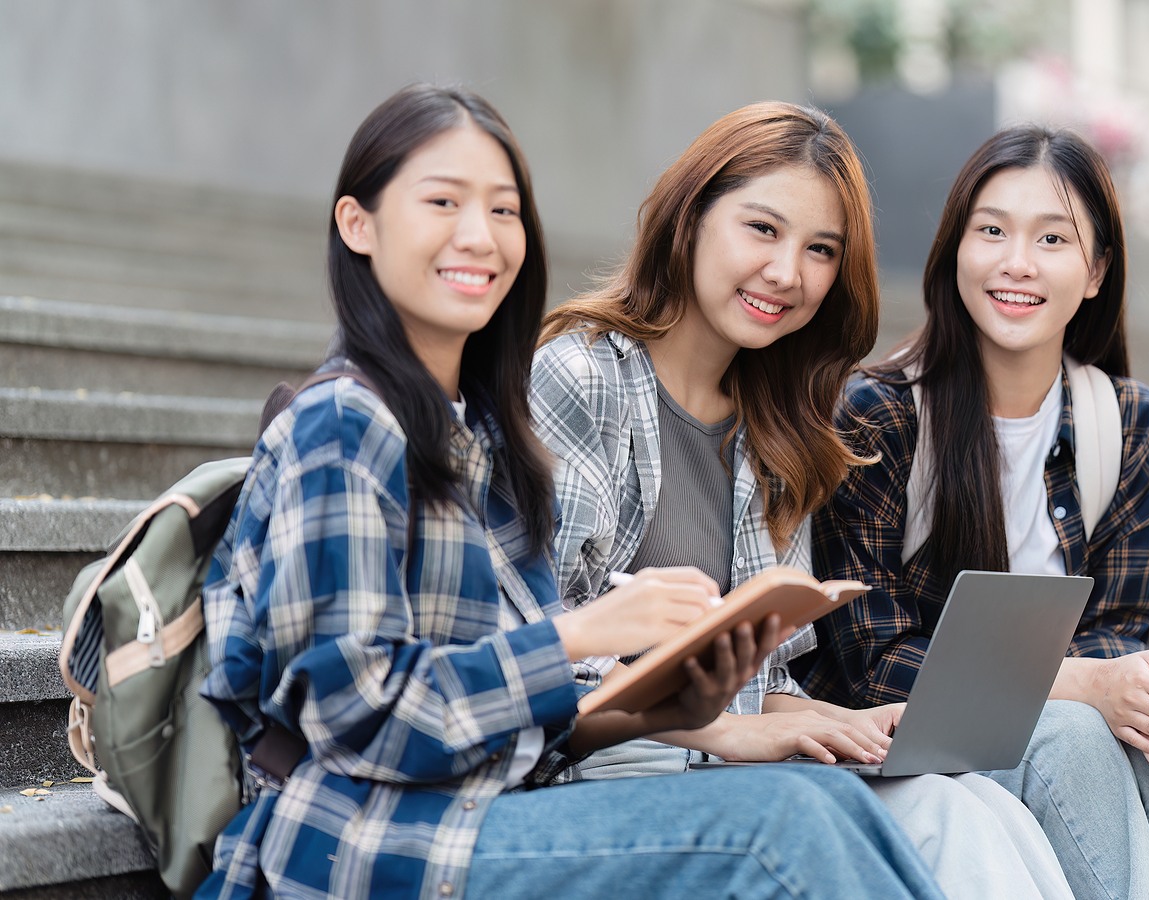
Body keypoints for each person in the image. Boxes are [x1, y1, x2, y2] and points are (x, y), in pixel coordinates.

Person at [196, 83, 944, 900]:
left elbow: (527, 723)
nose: (478, 236)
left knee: (834, 806)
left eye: (505, 211)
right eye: (443, 202)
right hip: (369, 845)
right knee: (783, 828)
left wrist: (691, 716)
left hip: (489, 806)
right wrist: (586, 637)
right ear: (358, 224)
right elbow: (358, 720)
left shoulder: (470, 426)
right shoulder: (340, 424)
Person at [531, 101, 1072, 900]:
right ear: (690, 217)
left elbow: (768, 677)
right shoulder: (583, 378)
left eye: (821, 250)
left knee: (976, 808)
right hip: (602, 788)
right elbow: (544, 654)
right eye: (762, 229)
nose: (789, 273)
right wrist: (732, 731)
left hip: (722, 771)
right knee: (940, 824)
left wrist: (835, 721)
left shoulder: (776, 432)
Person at [800, 125, 1149, 900]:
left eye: (1052, 238)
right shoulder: (879, 417)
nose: (1016, 262)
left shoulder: (1126, 424)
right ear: (955, 248)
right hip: (893, 745)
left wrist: (1145, 693)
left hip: (1053, 741)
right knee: (1079, 732)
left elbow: (1120, 633)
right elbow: (868, 666)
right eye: (991, 231)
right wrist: (1081, 683)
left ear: (1095, 272)